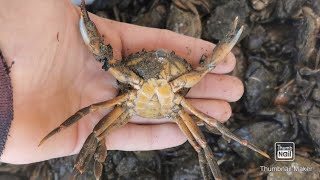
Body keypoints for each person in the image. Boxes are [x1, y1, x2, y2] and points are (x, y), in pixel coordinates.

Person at [0, 0, 243, 164]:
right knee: (95, 134)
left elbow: (204, 72)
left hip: (153, 106)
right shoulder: (126, 79)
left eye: (167, 61)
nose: (159, 63)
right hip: (138, 105)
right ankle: (80, 170)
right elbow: (93, 104)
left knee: (203, 147)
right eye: (148, 60)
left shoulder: (184, 86)